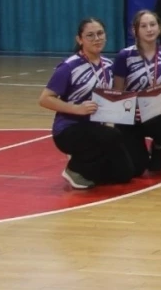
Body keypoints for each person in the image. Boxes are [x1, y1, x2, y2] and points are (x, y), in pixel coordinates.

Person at [40, 18, 137, 190]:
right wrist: (76, 109)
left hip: (97, 129)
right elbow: (45, 99)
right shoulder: (69, 66)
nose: (96, 39)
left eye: (100, 34)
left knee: (125, 174)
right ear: (80, 40)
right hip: (69, 129)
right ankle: (75, 168)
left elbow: (113, 97)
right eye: (90, 35)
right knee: (112, 135)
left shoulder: (108, 65)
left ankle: (87, 163)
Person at [112, 9, 161, 172]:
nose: (149, 29)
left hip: (157, 116)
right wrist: (128, 111)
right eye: (143, 26)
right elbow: (117, 92)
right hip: (131, 118)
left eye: (152, 24)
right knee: (137, 168)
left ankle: (158, 147)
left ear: (159, 28)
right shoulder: (124, 56)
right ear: (134, 30)